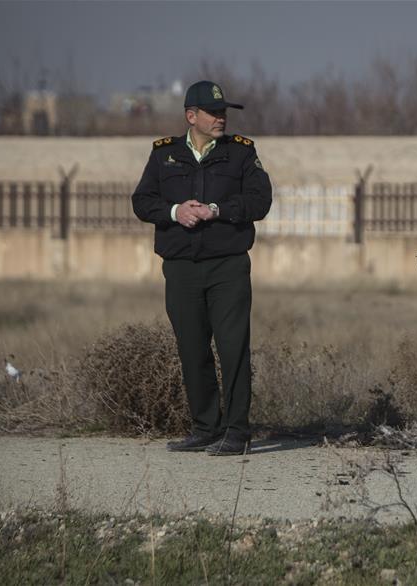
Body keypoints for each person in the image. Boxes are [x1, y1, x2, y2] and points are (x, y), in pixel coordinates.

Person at [132, 80, 272, 455]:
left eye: (224, 112)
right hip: (181, 268)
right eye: (214, 112)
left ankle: (237, 431)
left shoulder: (241, 153)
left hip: (227, 266)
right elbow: (143, 201)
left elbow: (260, 201)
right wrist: (177, 212)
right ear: (191, 116)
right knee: (192, 348)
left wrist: (218, 211)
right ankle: (205, 428)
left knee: (233, 348)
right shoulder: (164, 154)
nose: (221, 118)